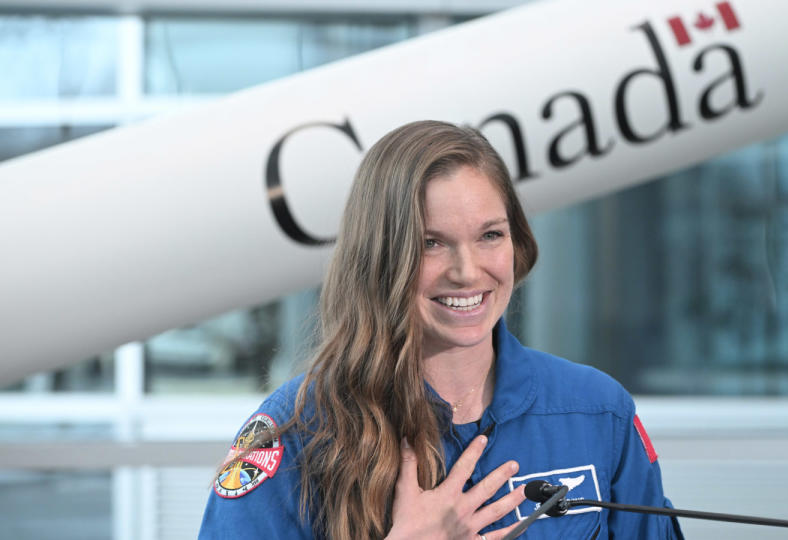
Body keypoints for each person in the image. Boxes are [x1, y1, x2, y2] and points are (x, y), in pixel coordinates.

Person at [198, 120, 683, 539]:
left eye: (490, 235)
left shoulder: (598, 413)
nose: (468, 271)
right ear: (380, 256)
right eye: (431, 243)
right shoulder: (296, 433)